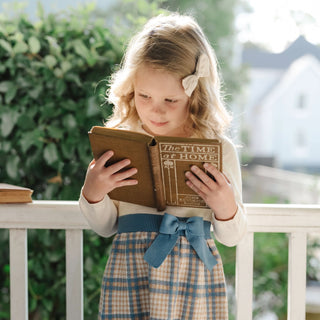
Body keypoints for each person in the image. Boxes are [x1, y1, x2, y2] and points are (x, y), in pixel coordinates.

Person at [79, 13, 247, 320]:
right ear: (131, 89)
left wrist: (226, 206)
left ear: (195, 94)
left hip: (195, 275)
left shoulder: (219, 150)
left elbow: (233, 236)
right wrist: (93, 193)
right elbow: (105, 227)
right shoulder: (122, 141)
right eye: (144, 96)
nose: (156, 110)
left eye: (170, 99)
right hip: (131, 271)